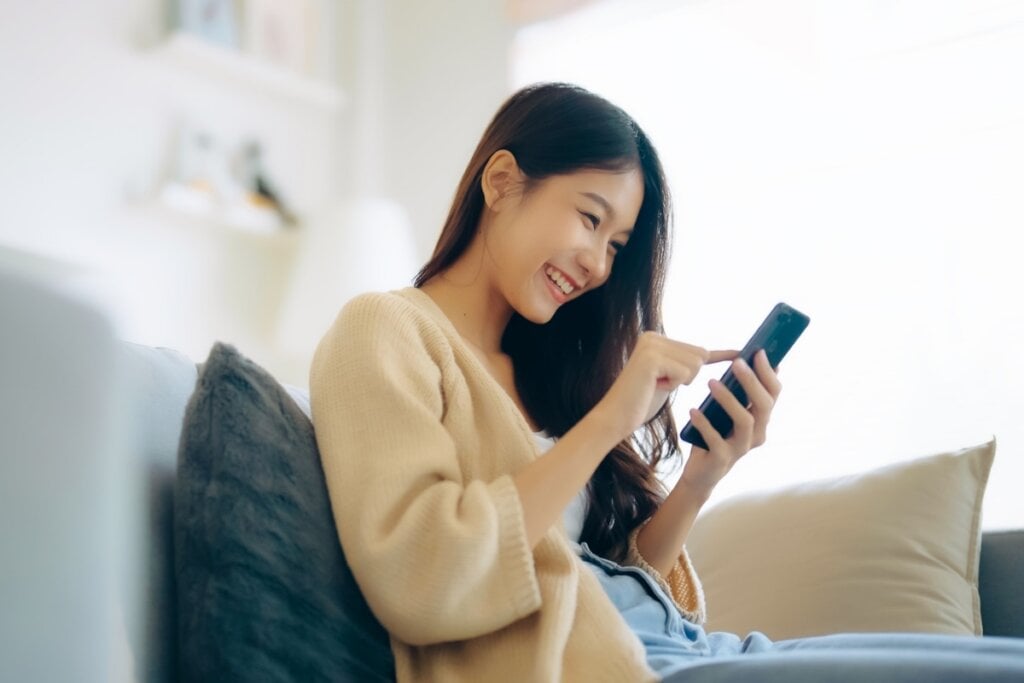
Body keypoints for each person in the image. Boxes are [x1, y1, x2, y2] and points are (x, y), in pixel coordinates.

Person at [309, 83, 1024, 682]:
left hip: (680, 649)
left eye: (616, 246)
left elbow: (596, 575)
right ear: (501, 182)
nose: (597, 264)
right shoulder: (382, 331)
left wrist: (699, 481)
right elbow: (422, 577)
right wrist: (607, 423)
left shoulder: (540, 370)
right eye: (591, 218)